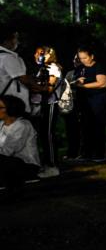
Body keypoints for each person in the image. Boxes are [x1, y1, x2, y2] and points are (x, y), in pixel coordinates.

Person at [31, 46, 64, 178]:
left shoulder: (53, 68)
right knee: (39, 135)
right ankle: (43, 163)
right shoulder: (38, 68)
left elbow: (49, 89)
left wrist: (31, 87)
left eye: (41, 53)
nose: (38, 56)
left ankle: (52, 166)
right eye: (37, 53)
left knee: (48, 134)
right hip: (37, 104)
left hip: (48, 104)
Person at [74, 46, 106, 163]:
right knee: (85, 127)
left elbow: (103, 83)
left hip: (98, 101)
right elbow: (75, 81)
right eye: (81, 58)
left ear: (92, 56)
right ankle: (86, 154)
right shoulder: (80, 68)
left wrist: (83, 86)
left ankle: (99, 155)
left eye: (85, 57)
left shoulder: (99, 66)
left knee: (98, 127)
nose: (83, 60)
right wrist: (77, 82)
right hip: (84, 102)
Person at [0, 95, 40, 194]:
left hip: (26, 165)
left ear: (10, 108)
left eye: (0, 107)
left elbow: (8, 151)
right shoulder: (1, 124)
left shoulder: (22, 125)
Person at [0, 29, 34, 115]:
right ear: (6, 41)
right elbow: (23, 79)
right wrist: (41, 88)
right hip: (13, 105)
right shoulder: (8, 57)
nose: (17, 42)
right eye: (15, 39)